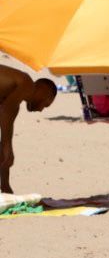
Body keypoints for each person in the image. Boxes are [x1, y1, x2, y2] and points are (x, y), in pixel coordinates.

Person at [0, 67, 57, 195]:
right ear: (43, 91)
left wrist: (5, 185)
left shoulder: (12, 103)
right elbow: (6, 112)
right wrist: (7, 147)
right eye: (46, 104)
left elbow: (5, 141)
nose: (41, 109)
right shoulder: (27, 83)